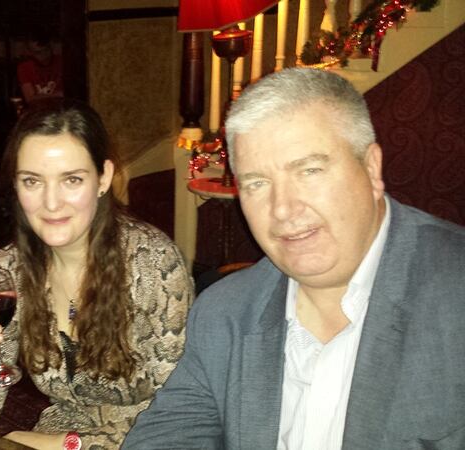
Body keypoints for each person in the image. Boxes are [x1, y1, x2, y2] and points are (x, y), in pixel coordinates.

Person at [123, 68, 465, 449]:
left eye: (310, 170)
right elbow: (168, 437)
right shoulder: (225, 312)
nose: (283, 209)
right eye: (257, 183)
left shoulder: (455, 293)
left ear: (371, 168)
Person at [0, 99, 194, 449]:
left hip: (150, 437)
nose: (51, 203)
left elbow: (181, 412)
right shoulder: (9, 271)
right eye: (32, 181)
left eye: (72, 179)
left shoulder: (154, 265)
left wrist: (69, 445)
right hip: (60, 432)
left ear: (103, 178)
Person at [17, 30, 64, 104]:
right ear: (30, 52)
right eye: (37, 53)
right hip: (38, 111)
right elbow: (30, 99)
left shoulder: (63, 62)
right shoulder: (25, 67)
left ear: (51, 46)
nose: (43, 56)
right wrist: (59, 94)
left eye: (46, 50)